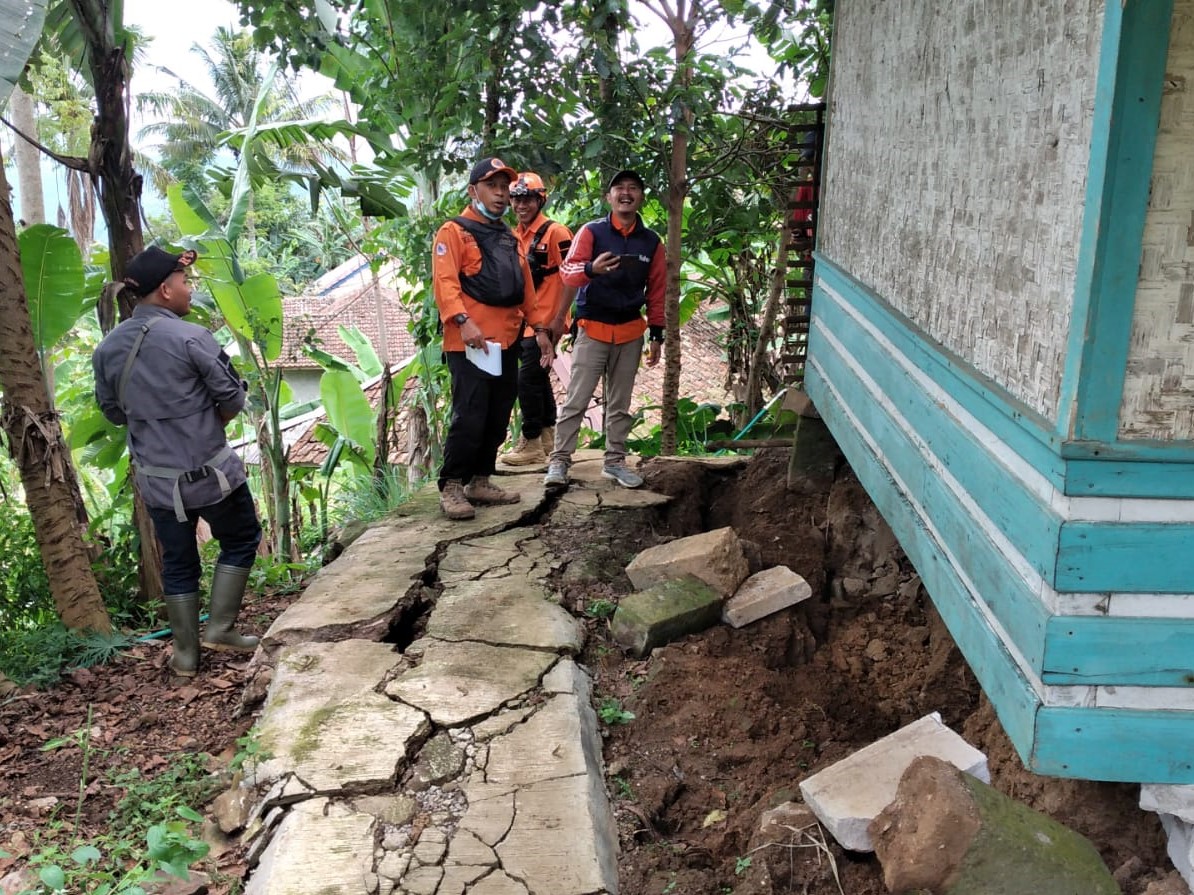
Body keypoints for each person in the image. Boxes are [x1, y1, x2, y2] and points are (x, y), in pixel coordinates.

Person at [92, 246, 262, 678]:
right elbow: (232, 397)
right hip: (211, 473)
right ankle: (220, 628)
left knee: (178, 559)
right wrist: (206, 424)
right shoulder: (191, 337)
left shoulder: (108, 348)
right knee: (242, 536)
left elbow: (113, 412)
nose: (190, 290)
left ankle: (186, 656)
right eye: (185, 283)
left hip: (157, 481)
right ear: (166, 290)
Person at [431, 157, 554, 520]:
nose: (501, 194)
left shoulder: (508, 235)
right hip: (469, 343)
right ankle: (452, 485)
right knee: (470, 414)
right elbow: (446, 282)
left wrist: (541, 330)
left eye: (505, 187)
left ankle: (480, 480)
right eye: (493, 187)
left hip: (507, 340)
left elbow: (525, 287)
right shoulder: (453, 231)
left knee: (498, 414)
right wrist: (464, 322)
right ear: (473, 191)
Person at [545, 169, 666, 490]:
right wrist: (591, 268)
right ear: (608, 197)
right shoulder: (591, 232)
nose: (626, 193)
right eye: (619, 188)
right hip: (592, 328)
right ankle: (559, 461)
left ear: (641, 197)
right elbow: (568, 272)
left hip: (630, 332)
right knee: (577, 399)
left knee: (620, 403)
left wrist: (657, 333)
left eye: (633, 188)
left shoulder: (651, 241)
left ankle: (614, 462)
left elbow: (657, 290)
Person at [499, 172, 575, 467]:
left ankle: (529, 440)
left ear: (540, 200)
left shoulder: (557, 233)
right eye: (516, 199)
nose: (521, 205)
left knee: (526, 378)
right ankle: (547, 436)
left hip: (548, 319)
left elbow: (573, 276)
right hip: (525, 320)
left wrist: (560, 319)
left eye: (527, 199)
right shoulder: (515, 235)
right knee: (538, 377)